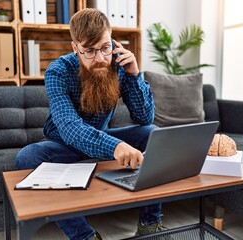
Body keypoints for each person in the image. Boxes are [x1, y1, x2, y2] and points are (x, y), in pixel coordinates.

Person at [15, 8, 167, 240]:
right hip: (63, 145)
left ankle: (150, 223)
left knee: (152, 133)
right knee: (26, 158)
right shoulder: (58, 71)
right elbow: (69, 127)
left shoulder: (118, 64)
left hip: (99, 137)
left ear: (112, 40)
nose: (100, 59)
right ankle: (84, 236)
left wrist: (135, 74)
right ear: (75, 47)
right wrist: (115, 147)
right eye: (89, 51)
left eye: (105, 48)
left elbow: (144, 118)